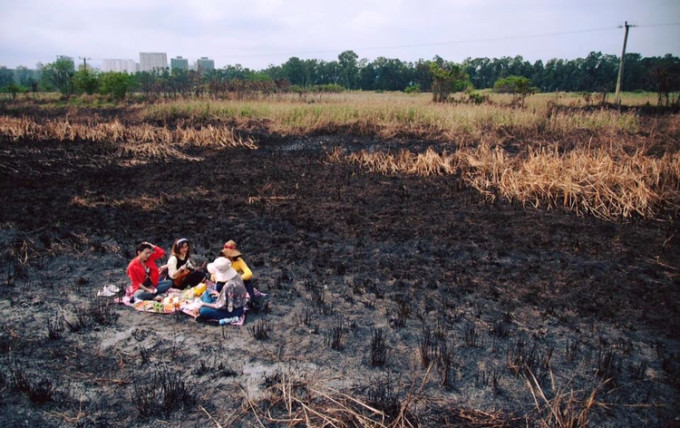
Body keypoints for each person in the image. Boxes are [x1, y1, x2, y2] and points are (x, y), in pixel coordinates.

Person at [198, 257, 250, 324]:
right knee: (208, 292)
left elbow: (220, 306)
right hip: (233, 301)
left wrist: (203, 304)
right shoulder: (237, 276)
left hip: (232, 310)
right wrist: (220, 295)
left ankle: (206, 311)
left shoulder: (228, 286)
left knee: (203, 311)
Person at [220, 240, 267, 309]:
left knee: (247, 282)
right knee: (218, 286)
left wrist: (238, 278)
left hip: (238, 282)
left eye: (230, 254)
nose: (228, 256)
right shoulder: (221, 261)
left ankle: (252, 300)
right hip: (225, 282)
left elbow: (249, 273)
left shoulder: (239, 261)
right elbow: (213, 276)